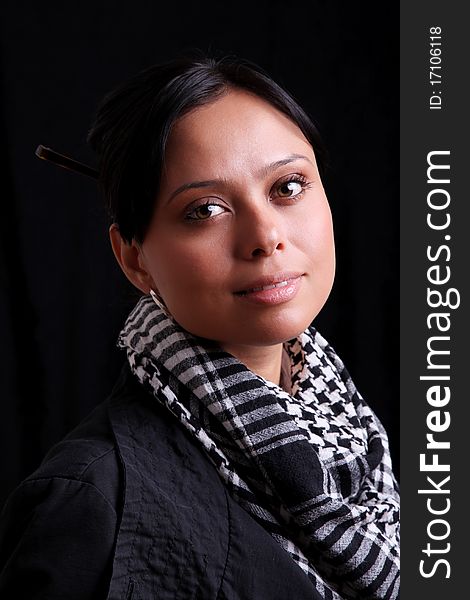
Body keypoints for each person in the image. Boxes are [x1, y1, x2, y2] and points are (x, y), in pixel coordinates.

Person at [0, 53, 400, 599]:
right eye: (205, 210)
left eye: (287, 187)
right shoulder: (89, 500)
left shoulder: (353, 434)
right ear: (136, 259)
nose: (264, 236)